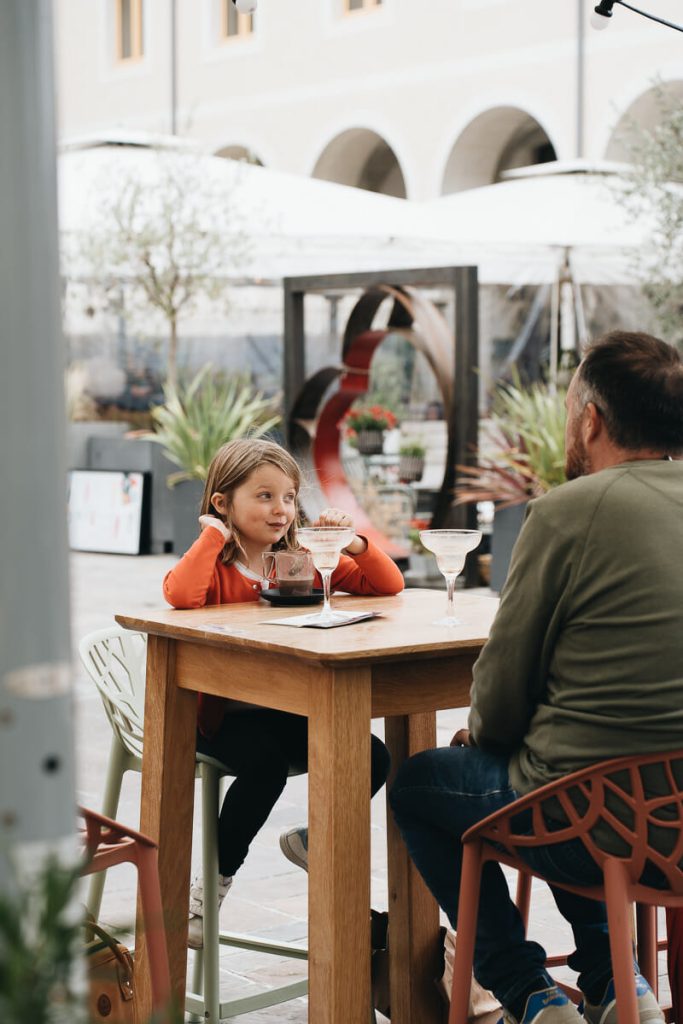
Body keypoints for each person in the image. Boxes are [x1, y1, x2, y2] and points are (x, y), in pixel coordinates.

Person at [390, 331, 683, 1024]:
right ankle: (617, 984)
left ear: (590, 419)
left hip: (591, 825)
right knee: (577, 767)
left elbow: (499, 691)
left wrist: (483, 737)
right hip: (671, 818)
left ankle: (525, 992)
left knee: (418, 785)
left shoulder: (567, 512)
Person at [163, 436, 404, 948]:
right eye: (265, 496)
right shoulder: (218, 566)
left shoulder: (300, 560)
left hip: (288, 708)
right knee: (266, 764)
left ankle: (313, 841)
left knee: (370, 754)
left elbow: (388, 585)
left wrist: (355, 544)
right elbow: (180, 595)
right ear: (223, 502)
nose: (281, 510)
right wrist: (211, 536)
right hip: (224, 718)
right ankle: (212, 888)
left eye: (290, 497)